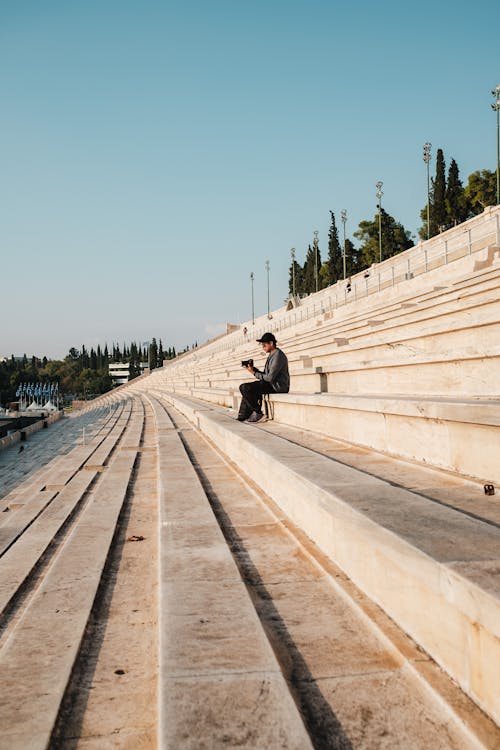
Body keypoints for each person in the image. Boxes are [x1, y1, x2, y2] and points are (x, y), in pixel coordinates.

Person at [238, 332, 290, 423]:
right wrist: (254, 370)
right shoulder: (272, 354)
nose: (263, 346)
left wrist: (254, 373)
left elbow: (270, 378)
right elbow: (266, 375)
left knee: (245, 387)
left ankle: (258, 413)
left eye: (264, 344)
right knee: (247, 388)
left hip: (277, 387)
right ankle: (243, 415)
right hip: (271, 384)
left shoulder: (278, 355)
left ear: (271, 343)